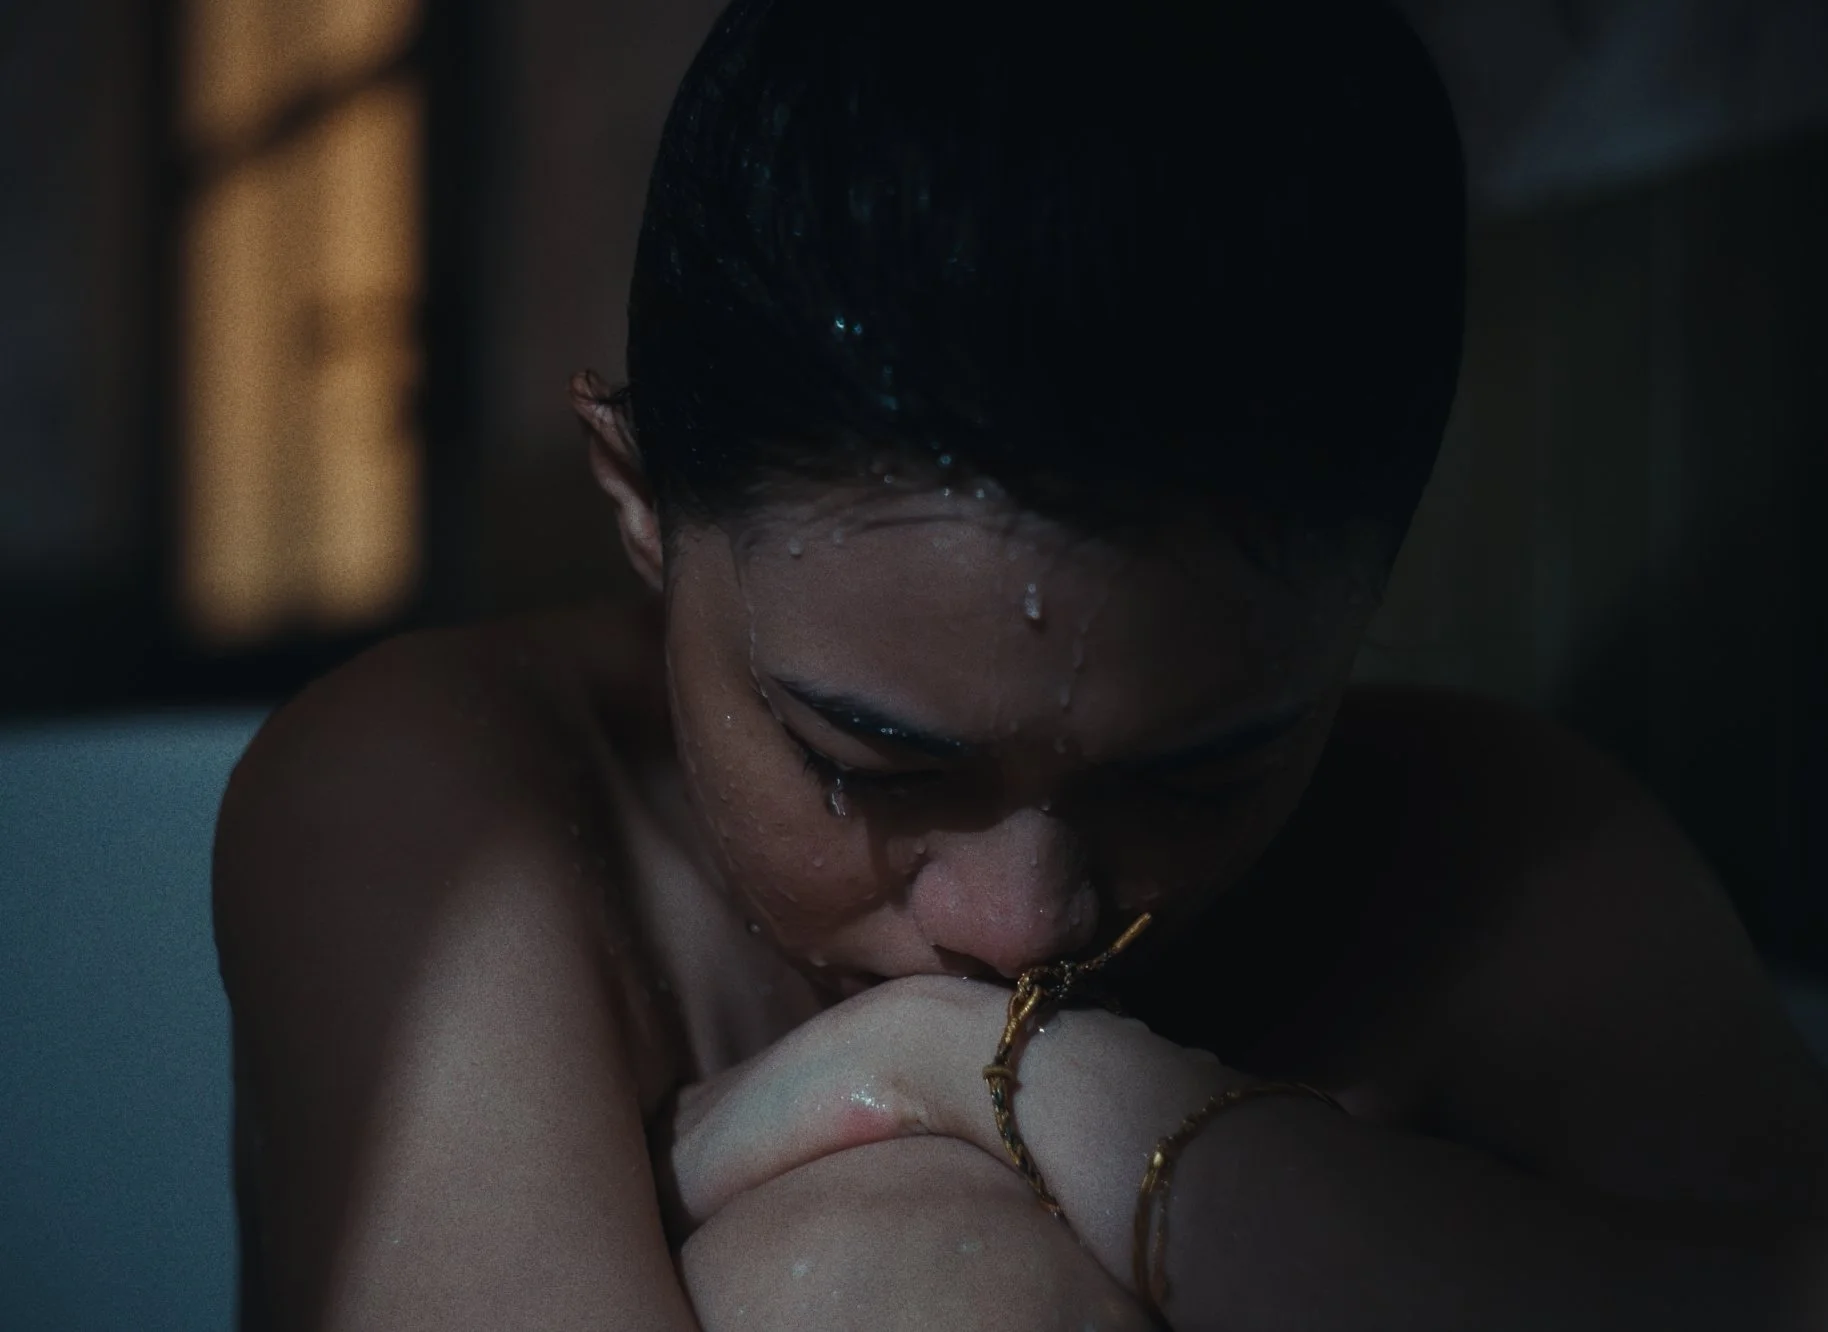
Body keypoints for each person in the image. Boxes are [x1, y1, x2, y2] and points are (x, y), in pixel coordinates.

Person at [211, 0, 1828, 1327]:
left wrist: (1054, 1097)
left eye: (1201, 773)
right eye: (864, 765)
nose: (1028, 923)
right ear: (638, 503)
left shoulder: (1501, 848)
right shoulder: (438, 809)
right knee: (900, 1270)